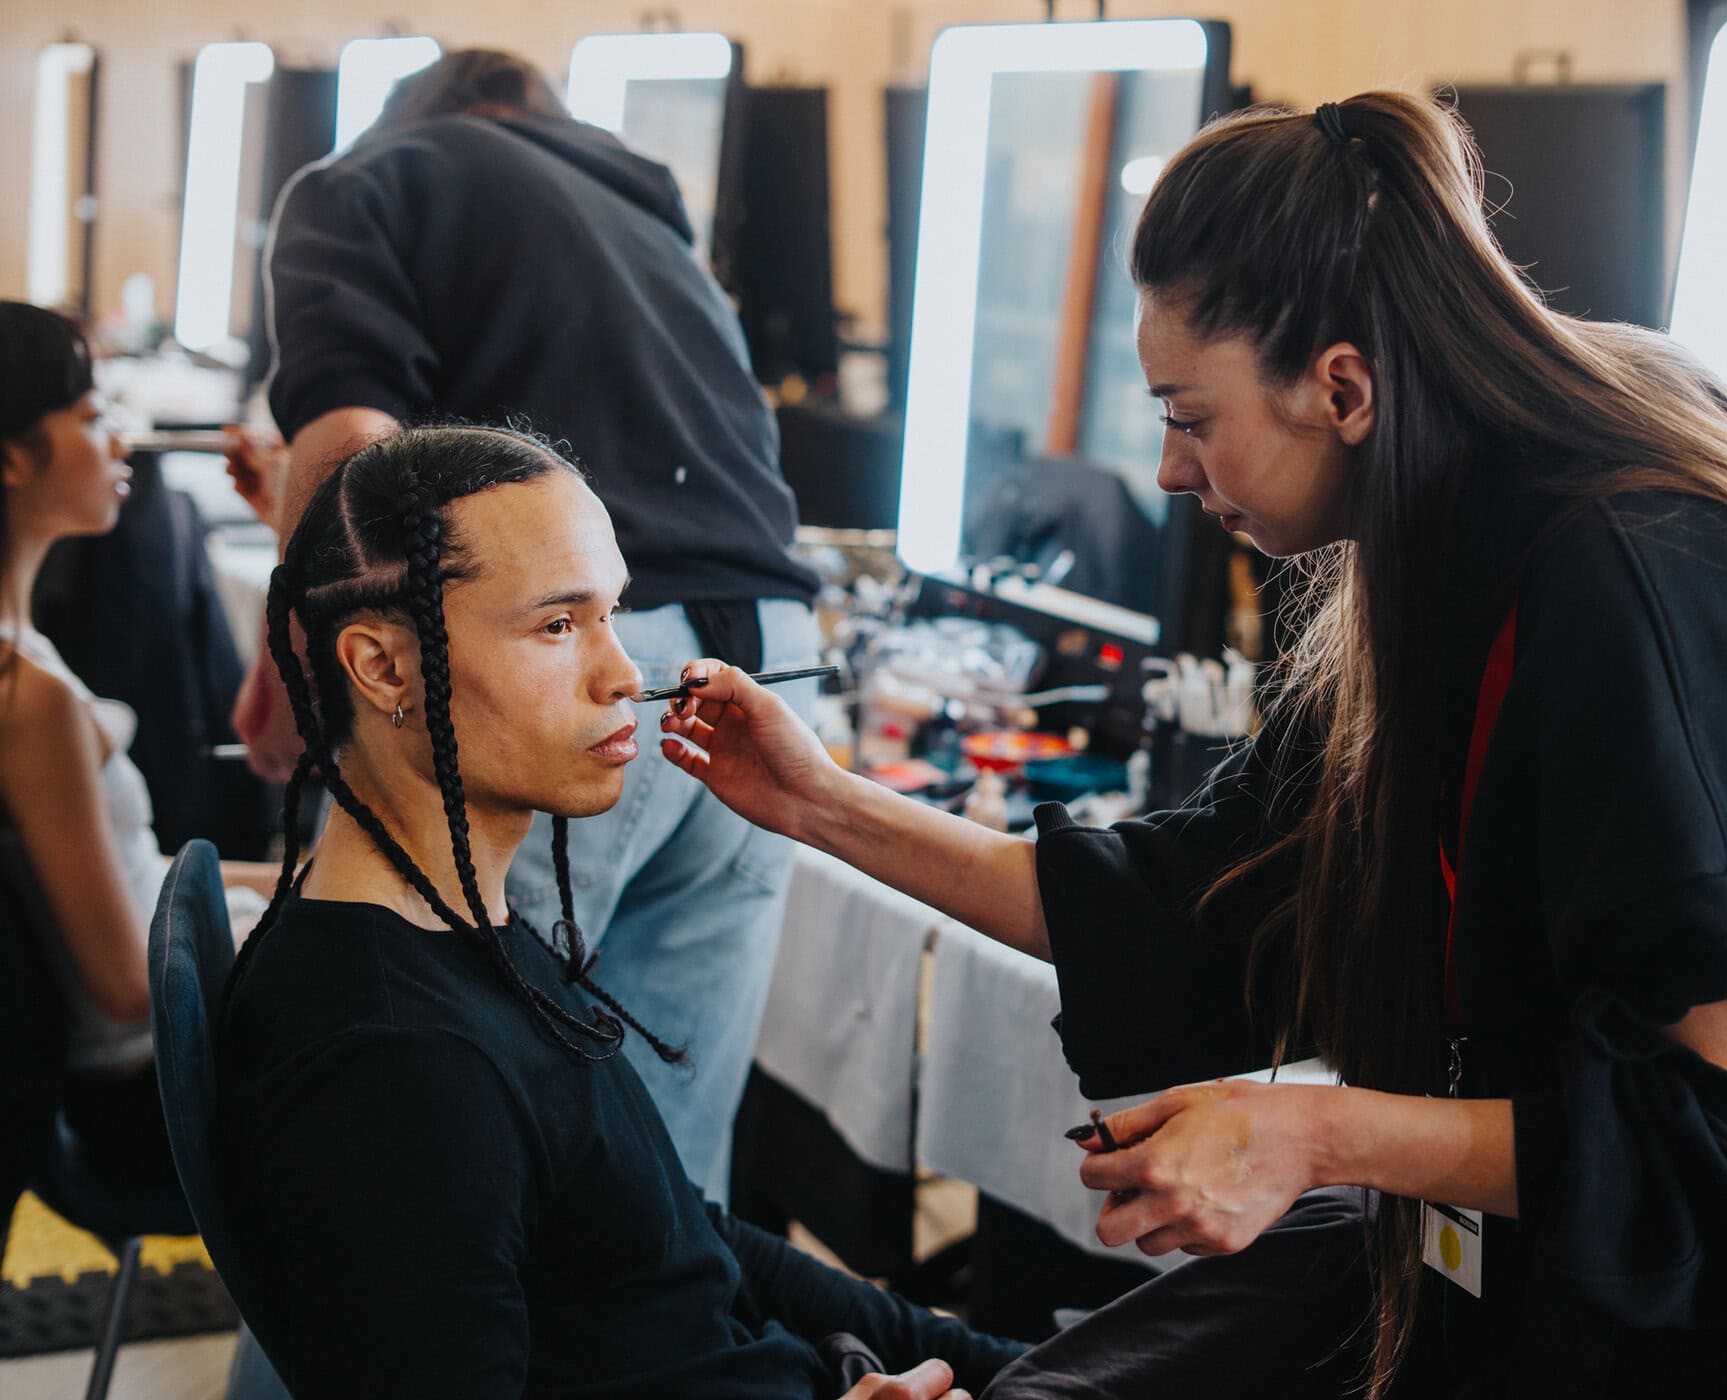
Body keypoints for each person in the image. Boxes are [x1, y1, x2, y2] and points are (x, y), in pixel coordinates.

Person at [657, 96, 1727, 1397]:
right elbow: (1192, 902)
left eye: (1187, 416)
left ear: (1343, 386)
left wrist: (1316, 1134)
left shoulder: (1641, 572)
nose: (1168, 468)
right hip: (1624, 1277)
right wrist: (820, 803)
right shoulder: (1435, 573)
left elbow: (1725, 1142)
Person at [219, 423, 1370, 1398]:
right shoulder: (393, 1059)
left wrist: (990, 1362)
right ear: (380, 667)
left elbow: (686, 1240)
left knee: (1345, 1257)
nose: (626, 673)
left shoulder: (470, 940)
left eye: (617, 615)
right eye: (559, 625)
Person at [238, 49, 823, 1201]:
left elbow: (351, 441)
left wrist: (296, 657)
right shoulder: (653, 221)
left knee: (397, 1140)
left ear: (416, 113)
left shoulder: (367, 179)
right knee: (657, 1189)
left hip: (583, 647)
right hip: (772, 673)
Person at [0, 302, 275, 1195]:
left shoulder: (29, 658)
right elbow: (126, 989)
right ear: (10, 458)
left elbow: (128, 870)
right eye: (90, 415)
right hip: (150, 1101)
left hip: (156, 1062)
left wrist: (302, 886)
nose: (121, 437)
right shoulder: (24, 697)